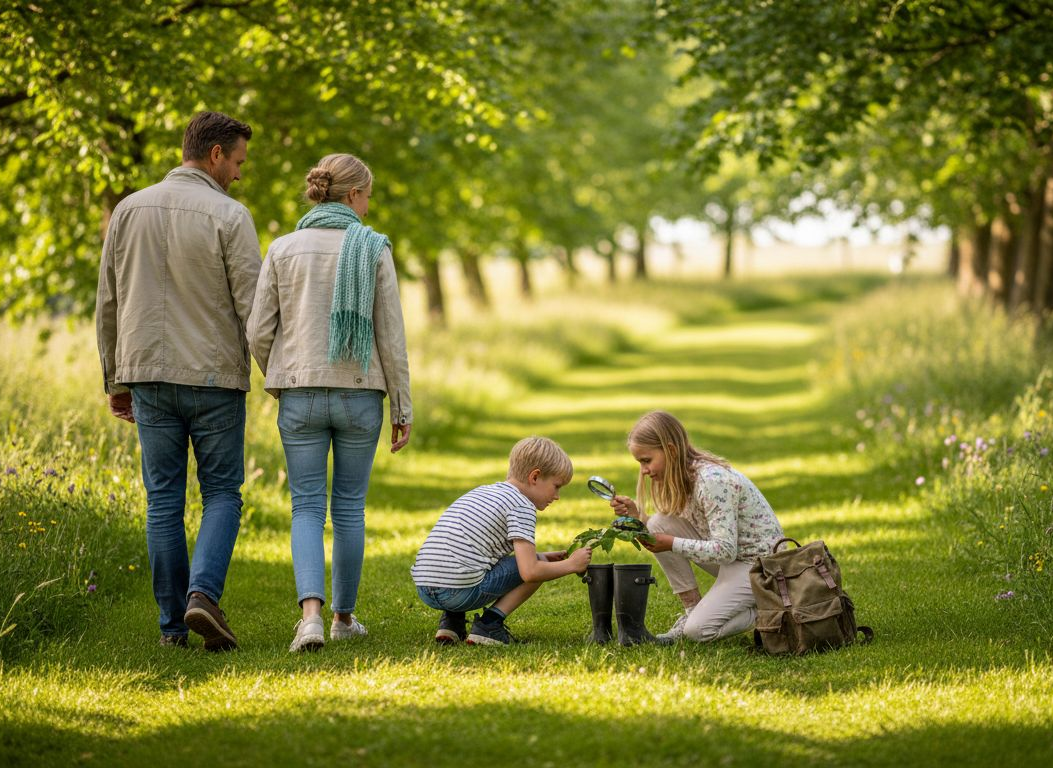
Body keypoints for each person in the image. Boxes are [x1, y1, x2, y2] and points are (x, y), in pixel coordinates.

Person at [96, 111, 260, 650]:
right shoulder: (230, 216)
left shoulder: (128, 210)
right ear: (215, 154)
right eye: (236, 161)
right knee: (221, 494)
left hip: (145, 374)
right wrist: (276, 374)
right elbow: (253, 309)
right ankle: (203, 597)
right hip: (213, 377)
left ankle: (172, 630)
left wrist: (114, 378)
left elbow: (109, 301)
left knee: (162, 498)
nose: (238, 173)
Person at [247, 153, 412, 653]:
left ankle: (311, 619)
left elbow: (258, 331)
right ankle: (343, 618)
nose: (369, 205)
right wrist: (402, 407)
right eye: (368, 195)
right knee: (349, 511)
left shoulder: (283, 248)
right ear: (354, 195)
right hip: (360, 394)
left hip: (299, 393)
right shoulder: (374, 249)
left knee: (306, 508)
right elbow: (391, 338)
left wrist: (280, 378)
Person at [607, 410, 784, 643]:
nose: (644, 470)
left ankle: (767, 611)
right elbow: (668, 531)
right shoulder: (683, 476)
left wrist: (670, 543)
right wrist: (637, 518)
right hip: (734, 561)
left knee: (698, 631)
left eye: (646, 460)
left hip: (761, 567)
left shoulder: (712, 481)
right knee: (658, 523)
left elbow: (725, 550)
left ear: (671, 450)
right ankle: (693, 609)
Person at [411, 437, 592, 646]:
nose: (557, 496)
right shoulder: (522, 505)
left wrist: (541, 556)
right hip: (458, 592)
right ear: (535, 477)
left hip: (425, 586)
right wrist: (571, 564)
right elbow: (530, 572)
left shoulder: (483, 493)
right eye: (556, 486)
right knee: (539, 568)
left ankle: (451, 622)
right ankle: (489, 625)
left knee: (465, 559)